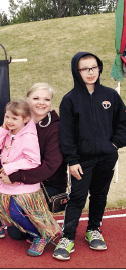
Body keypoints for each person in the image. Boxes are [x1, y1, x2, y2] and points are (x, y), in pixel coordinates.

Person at [53, 52, 126, 260]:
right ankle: (67, 237)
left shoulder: (111, 96)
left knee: (100, 195)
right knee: (77, 197)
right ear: (77, 71)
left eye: (93, 67)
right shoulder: (69, 100)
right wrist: (72, 160)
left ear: (99, 68)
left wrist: (114, 144)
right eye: (84, 69)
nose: (90, 72)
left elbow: (122, 124)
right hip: (81, 161)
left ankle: (93, 229)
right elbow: (66, 135)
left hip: (107, 157)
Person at [0, 98, 61, 257]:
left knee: (16, 213)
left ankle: (39, 236)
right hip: (5, 183)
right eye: (7, 117)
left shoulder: (29, 136)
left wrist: (10, 167)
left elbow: (34, 161)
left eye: (14, 118)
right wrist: (3, 129)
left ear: (25, 120)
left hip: (23, 185)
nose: (9, 121)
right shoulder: (8, 132)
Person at [0, 83, 68, 241]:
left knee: (17, 219)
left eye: (46, 99)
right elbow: (0, 154)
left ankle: (46, 230)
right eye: (36, 98)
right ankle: (26, 224)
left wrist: (15, 177)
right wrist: (1, 173)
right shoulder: (16, 121)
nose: (41, 102)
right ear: (27, 100)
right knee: (15, 234)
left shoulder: (57, 127)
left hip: (47, 185)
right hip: (18, 182)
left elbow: (50, 166)